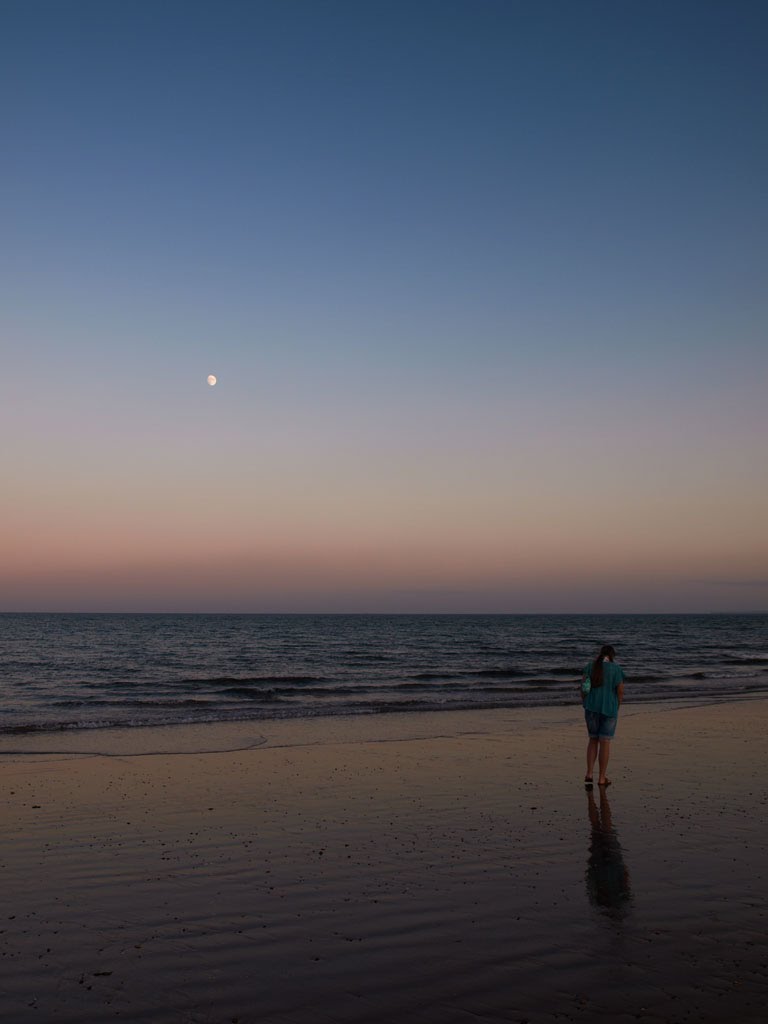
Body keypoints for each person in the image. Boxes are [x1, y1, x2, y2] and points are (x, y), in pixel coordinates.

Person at [581, 644, 625, 787]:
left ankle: (589, 773)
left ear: (600, 653)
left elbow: (584, 687)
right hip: (609, 708)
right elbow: (620, 691)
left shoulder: (589, 666)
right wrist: (617, 705)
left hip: (591, 707)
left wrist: (585, 702)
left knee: (593, 739)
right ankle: (601, 777)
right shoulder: (616, 669)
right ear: (612, 656)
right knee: (605, 742)